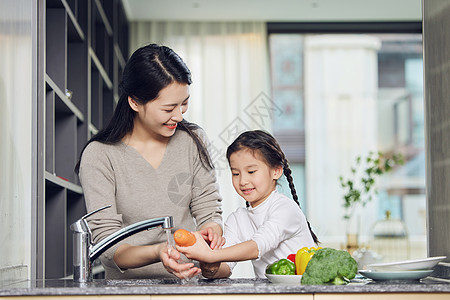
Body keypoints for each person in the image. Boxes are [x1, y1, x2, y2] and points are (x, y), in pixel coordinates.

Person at [75, 44, 223, 279]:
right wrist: (158, 252)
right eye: (168, 108)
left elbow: (208, 210)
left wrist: (212, 231)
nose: (179, 116)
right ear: (134, 102)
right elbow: (106, 245)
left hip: (189, 286)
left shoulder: (192, 141)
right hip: (128, 292)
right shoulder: (100, 155)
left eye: (184, 103)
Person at [177, 130, 319, 278]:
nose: (243, 181)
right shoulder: (237, 219)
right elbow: (225, 266)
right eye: (236, 173)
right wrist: (210, 267)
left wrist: (211, 255)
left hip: (306, 293)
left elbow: (257, 246)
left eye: (251, 172)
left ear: (276, 171)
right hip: (271, 294)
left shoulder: (286, 209)